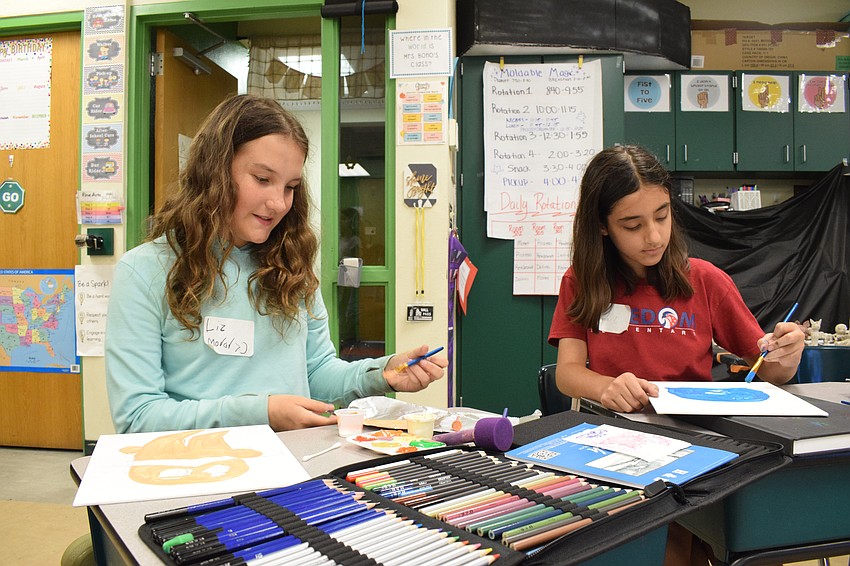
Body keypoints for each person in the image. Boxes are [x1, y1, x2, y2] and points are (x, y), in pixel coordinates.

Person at [105, 94, 447, 434]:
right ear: (214, 171)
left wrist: (381, 374)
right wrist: (260, 412)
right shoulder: (145, 271)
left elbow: (316, 375)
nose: (278, 203)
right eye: (263, 179)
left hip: (293, 463)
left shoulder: (290, 265)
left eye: (291, 187)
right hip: (200, 473)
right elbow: (138, 417)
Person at [548, 145, 805, 565]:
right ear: (602, 226)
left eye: (662, 216)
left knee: (689, 539)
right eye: (632, 224)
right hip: (615, 444)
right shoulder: (582, 281)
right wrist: (607, 386)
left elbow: (769, 369)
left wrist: (787, 352)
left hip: (693, 447)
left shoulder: (705, 281)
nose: (653, 236)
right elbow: (568, 373)